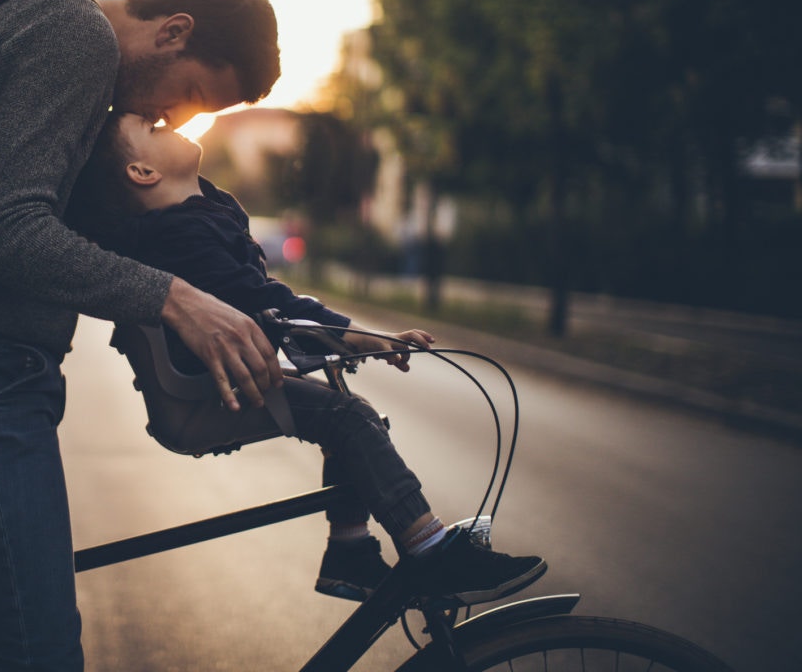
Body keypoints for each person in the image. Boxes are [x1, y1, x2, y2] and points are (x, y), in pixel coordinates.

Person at [0, 0, 287, 672]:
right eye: (187, 96)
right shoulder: (74, 38)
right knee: (36, 654)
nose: (174, 121)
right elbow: (8, 234)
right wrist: (175, 298)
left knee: (11, 639)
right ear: (173, 31)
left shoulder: (59, 37)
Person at [67, 112, 547, 606]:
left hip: (218, 385)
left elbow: (258, 297)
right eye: (151, 127)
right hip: (201, 398)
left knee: (353, 417)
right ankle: (430, 549)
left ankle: (350, 552)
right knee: (351, 418)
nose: (167, 120)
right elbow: (261, 301)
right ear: (143, 172)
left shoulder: (196, 217)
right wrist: (353, 335)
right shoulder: (177, 235)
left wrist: (353, 335)